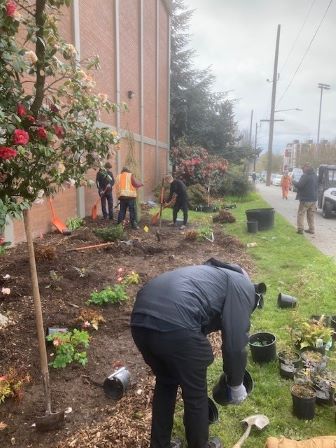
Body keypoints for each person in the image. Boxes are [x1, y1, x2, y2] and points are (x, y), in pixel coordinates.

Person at [130, 258, 266, 448]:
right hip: (175, 323)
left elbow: (197, 313)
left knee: (166, 382)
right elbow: (235, 343)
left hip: (140, 321)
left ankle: (160, 444)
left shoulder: (211, 274)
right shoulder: (242, 285)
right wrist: (235, 384)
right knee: (195, 395)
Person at [292, 163, 318, 235]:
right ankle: (311, 229)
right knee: (311, 215)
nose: (302, 170)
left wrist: (293, 181)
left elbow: (299, 185)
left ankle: (300, 229)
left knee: (301, 214)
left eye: (303, 168)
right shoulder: (315, 176)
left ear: (306, 168)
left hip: (305, 199)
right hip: (313, 199)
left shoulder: (305, 176)